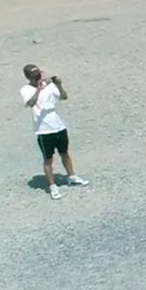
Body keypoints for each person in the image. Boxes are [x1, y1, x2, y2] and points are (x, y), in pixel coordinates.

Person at [20, 64, 89, 199]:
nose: (39, 78)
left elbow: (64, 97)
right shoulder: (26, 89)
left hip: (59, 126)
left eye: (39, 75)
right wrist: (39, 90)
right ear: (29, 77)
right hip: (44, 130)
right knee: (48, 159)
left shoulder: (50, 86)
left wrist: (59, 85)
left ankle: (72, 176)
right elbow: (30, 103)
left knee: (65, 153)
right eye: (35, 77)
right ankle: (52, 186)